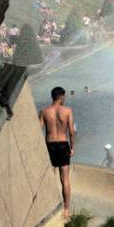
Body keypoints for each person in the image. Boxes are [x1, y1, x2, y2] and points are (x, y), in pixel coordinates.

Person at [40, 86, 76, 218]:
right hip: (62, 145)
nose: (64, 99)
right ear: (60, 97)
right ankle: (66, 209)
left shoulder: (44, 112)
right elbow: (71, 132)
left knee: (48, 176)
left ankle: (47, 206)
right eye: (64, 97)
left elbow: (38, 131)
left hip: (50, 145)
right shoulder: (67, 111)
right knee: (65, 179)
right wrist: (72, 147)